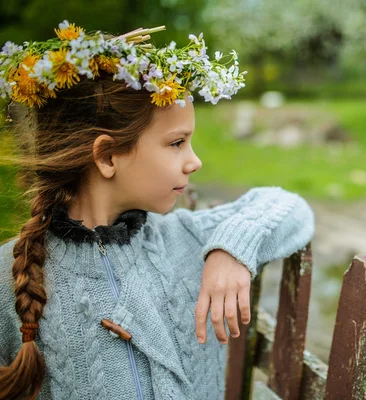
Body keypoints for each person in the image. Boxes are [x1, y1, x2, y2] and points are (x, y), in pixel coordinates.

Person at [0, 22, 315, 399]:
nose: (194, 161)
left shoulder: (190, 240)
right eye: (177, 143)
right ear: (107, 156)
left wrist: (232, 249)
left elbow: (290, 207)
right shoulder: (10, 279)